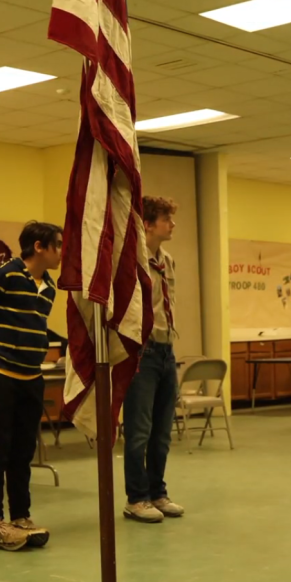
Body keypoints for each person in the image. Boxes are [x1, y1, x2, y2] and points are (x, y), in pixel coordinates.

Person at [0, 221, 62, 551]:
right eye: (58, 245)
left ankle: (20, 516)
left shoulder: (48, 286)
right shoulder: (5, 274)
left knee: (23, 450)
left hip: (31, 376)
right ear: (39, 246)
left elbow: (34, 326)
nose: (62, 252)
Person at [122, 197, 184, 523]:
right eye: (166, 219)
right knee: (139, 431)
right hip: (142, 353)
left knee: (162, 430)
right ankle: (137, 498)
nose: (172, 224)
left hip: (165, 350)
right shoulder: (132, 260)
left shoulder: (167, 260)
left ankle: (158, 492)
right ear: (147, 223)